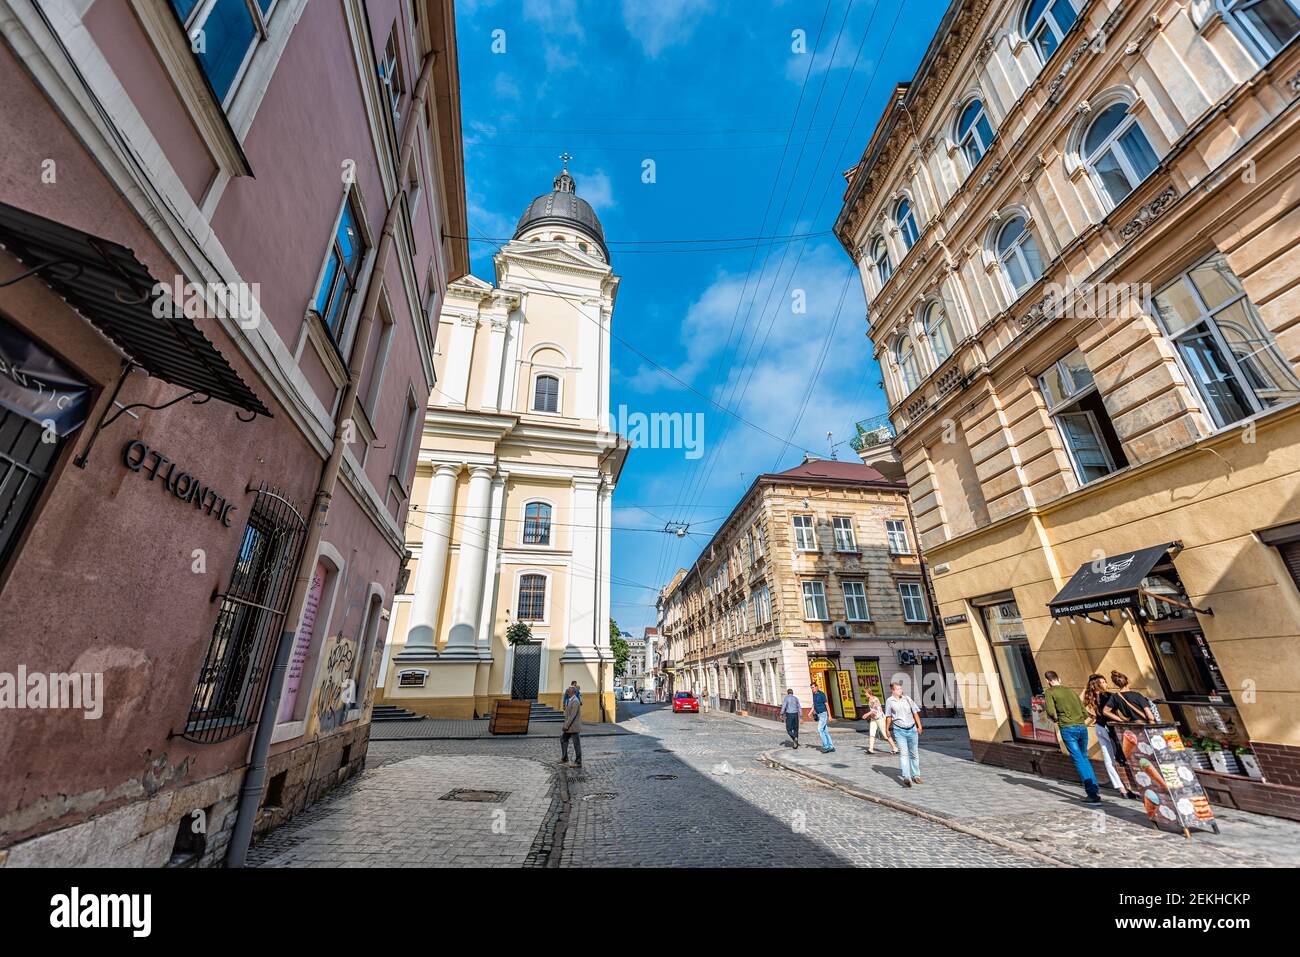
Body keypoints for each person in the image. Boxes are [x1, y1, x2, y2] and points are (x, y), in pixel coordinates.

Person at [1042, 671, 1101, 803]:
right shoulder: (1070, 691)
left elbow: (1051, 711)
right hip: (1081, 727)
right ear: (1059, 678)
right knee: (1084, 758)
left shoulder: (1050, 692)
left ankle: (1092, 793)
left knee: (1078, 759)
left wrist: (1057, 719)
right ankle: (1094, 788)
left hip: (1068, 728)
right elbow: (1083, 711)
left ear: (1048, 681)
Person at [1084, 673, 1139, 799]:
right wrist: (1121, 720)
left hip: (1099, 727)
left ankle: (1121, 788)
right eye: (1102, 682)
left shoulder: (1091, 696)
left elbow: (1084, 709)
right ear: (1097, 684)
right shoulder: (1108, 696)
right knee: (1119, 757)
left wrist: (1093, 717)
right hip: (1109, 728)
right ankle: (1127, 787)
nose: (1105, 684)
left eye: (1105, 682)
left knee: (1108, 758)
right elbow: (1111, 711)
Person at [883, 681, 923, 787]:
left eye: (901, 688)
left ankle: (916, 775)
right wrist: (887, 729)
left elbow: (915, 712)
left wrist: (919, 726)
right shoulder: (889, 701)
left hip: (912, 729)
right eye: (898, 689)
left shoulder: (907, 699)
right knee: (904, 754)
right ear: (893, 690)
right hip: (899, 730)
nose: (900, 690)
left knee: (914, 754)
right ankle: (907, 777)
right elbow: (888, 716)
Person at [561, 682, 583, 767]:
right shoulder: (570, 700)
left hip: (573, 727)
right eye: (567, 691)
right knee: (563, 739)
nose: (567, 692)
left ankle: (578, 761)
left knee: (576, 744)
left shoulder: (575, 701)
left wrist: (566, 726)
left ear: (573, 692)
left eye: (568, 691)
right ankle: (564, 758)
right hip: (569, 727)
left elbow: (572, 716)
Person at [811, 683, 835, 753]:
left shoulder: (821, 694)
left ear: (816, 687)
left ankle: (826, 746)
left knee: (820, 729)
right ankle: (831, 747)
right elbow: (814, 704)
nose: (812, 689)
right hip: (819, 714)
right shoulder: (814, 695)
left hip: (823, 714)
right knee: (825, 731)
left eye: (813, 687)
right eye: (811, 688)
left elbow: (827, 705)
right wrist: (811, 712)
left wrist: (830, 716)